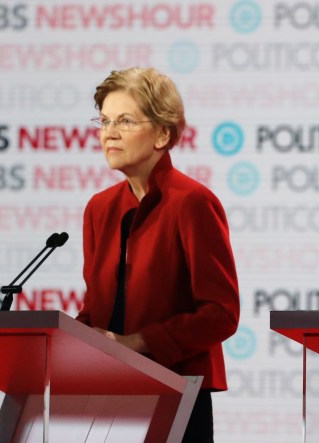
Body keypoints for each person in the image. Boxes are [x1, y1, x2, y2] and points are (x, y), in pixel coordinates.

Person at [77, 67, 240, 442]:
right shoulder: (99, 209)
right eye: (104, 121)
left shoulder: (193, 202)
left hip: (178, 394)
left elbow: (222, 313)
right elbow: (96, 311)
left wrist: (140, 342)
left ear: (163, 133)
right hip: (107, 395)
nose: (109, 133)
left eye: (125, 121)